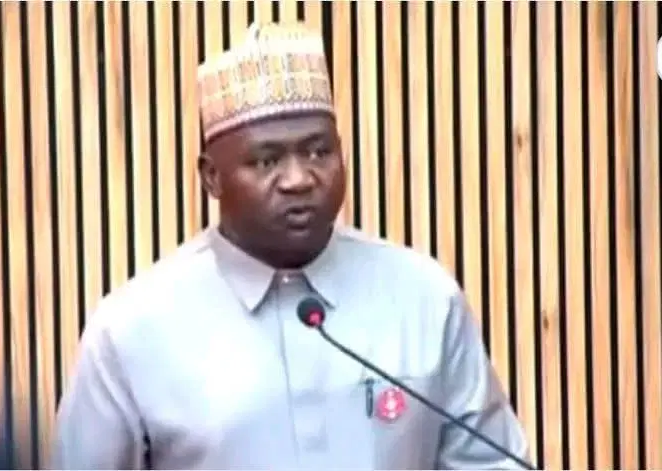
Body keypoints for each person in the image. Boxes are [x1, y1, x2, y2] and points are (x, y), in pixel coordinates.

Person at [50, 22, 530, 470]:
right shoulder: (133, 331)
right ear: (212, 177)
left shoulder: (422, 298)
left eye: (319, 151)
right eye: (266, 161)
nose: (299, 179)